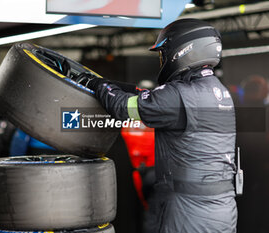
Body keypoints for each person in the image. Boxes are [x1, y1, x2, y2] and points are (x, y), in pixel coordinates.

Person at [82, 18, 238, 232]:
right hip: (222, 207)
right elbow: (154, 98)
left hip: (189, 211)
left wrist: (97, 84)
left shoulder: (178, 96)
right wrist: (118, 86)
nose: (161, 60)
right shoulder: (217, 91)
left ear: (181, 51)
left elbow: (122, 107)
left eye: (163, 54)